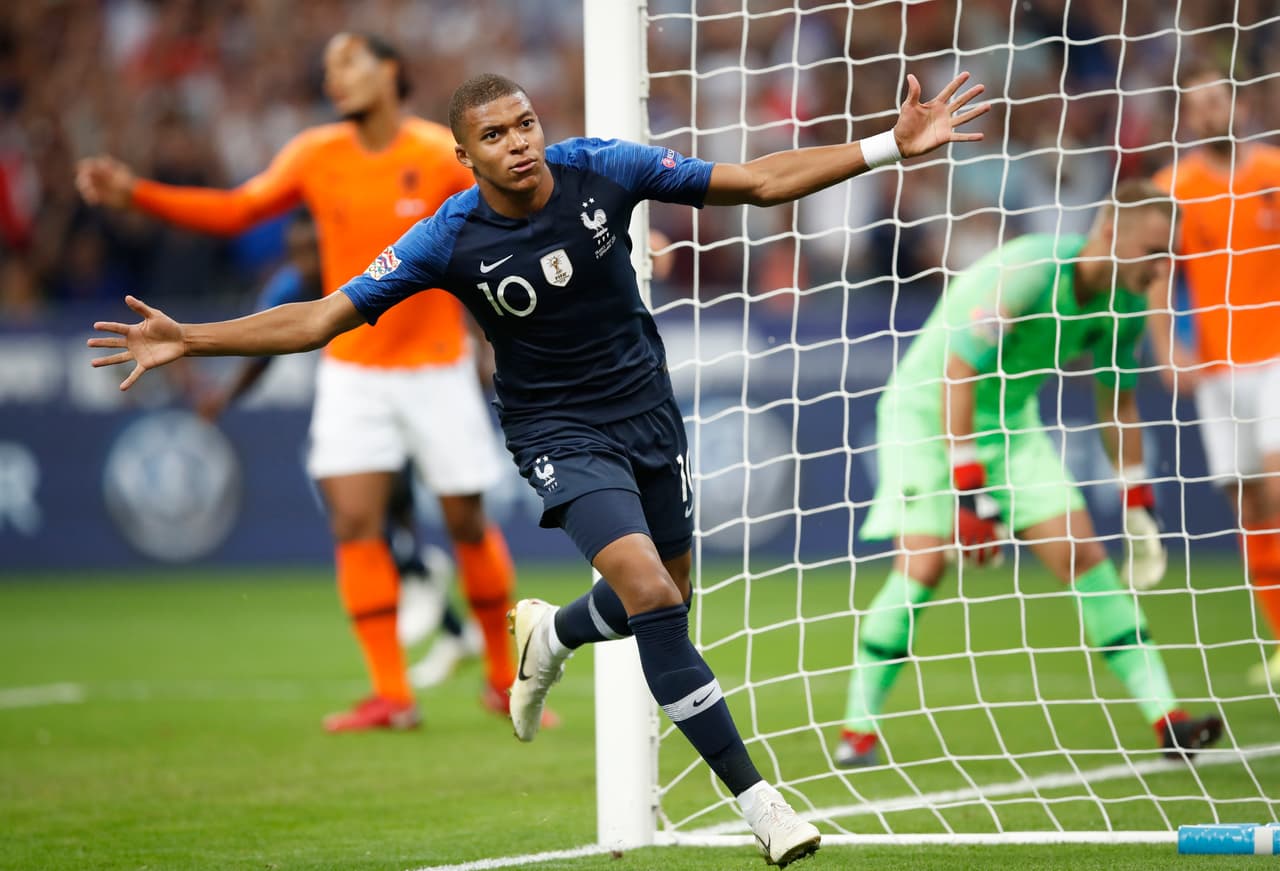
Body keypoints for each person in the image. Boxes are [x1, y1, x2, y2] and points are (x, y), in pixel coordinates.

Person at [87, 69, 987, 865]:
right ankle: (761, 804)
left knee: (662, 593)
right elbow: (322, 316)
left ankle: (549, 635)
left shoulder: (606, 167)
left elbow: (755, 182)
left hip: (646, 415)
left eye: (524, 124)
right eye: (495, 135)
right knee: (655, 597)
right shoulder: (447, 237)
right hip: (557, 432)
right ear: (464, 155)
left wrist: (883, 147)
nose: (518, 143)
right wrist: (190, 337)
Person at [76, 33, 521, 732]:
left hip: (436, 364)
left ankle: (504, 682)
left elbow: (508, 215)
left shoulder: (439, 152)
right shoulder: (317, 153)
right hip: (351, 369)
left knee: (466, 521)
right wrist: (137, 192)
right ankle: (391, 695)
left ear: (391, 71)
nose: (333, 74)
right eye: (329, 64)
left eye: (350, 61)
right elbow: (237, 209)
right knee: (352, 521)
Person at [835, 180, 1224, 769]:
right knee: (925, 563)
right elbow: (958, 371)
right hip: (926, 412)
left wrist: (1138, 496)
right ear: (1109, 233)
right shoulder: (1031, 271)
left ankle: (1168, 721)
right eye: (1152, 252)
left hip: (1009, 424)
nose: (1162, 268)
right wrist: (971, 491)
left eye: (1169, 254)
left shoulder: (1127, 306)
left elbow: (1116, 403)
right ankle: (857, 730)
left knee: (1083, 557)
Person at [191, 211, 481, 667]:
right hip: (368, 409)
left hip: (421, 390)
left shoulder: (378, 269)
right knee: (358, 505)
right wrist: (226, 394)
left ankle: (428, 586)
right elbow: (262, 351)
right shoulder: (292, 287)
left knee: (388, 508)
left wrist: (477, 351)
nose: (305, 261)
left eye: (313, 250)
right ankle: (435, 599)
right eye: (297, 251)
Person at [1149, 63, 1280, 686]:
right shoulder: (1173, 186)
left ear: (1241, 105)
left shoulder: (1274, 174)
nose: (1206, 114)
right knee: (1247, 502)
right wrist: (1166, 346)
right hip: (1218, 367)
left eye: (1215, 102)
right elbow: (1155, 273)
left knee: (1278, 485)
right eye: (1195, 106)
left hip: (1277, 357)